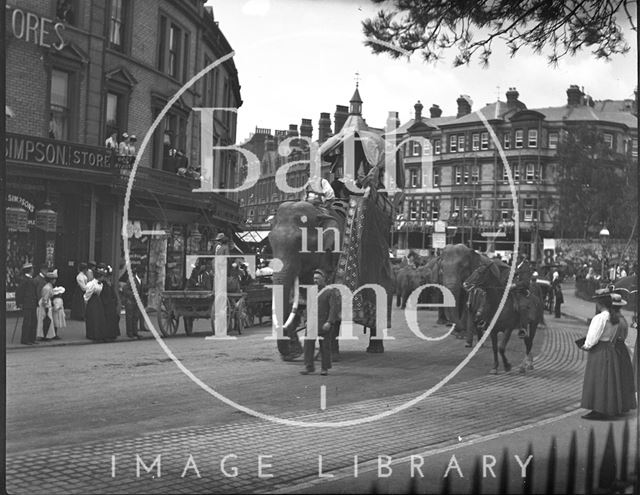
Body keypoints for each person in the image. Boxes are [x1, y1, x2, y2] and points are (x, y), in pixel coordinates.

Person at [580, 290, 637, 419]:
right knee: (607, 379)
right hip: (610, 348)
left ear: (600, 304)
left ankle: (598, 409)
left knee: (597, 379)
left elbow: (593, 336)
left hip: (599, 348)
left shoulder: (600, 318)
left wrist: (587, 345)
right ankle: (607, 406)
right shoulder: (615, 318)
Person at [300, 269, 340, 376]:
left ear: (323, 279)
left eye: (317, 278)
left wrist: (329, 322)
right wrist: (306, 320)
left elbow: (333, 308)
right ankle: (309, 367)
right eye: (314, 278)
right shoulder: (312, 291)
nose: (315, 280)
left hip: (324, 323)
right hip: (312, 323)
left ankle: (325, 368)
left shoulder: (330, 291)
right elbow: (308, 307)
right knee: (308, 346)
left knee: (325, 346)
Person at [510, 252, 533, 338]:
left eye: (514, 259)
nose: (512, 261)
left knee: (522, 307)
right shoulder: (513, 267)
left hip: (521, 291)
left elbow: (526, 282)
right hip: (511, 291)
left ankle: (523, 329)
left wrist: (515, 285)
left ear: (519, 259)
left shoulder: (525, 268)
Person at [15, 263, 38, 345]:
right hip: (27, 304)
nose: (33, 270)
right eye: (32, 269)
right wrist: (20, 303)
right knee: (27, 322)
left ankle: (32, 338)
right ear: (30, 270)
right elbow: (19, 292)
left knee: (33, 321)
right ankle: (25, 339)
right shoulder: (24, 280)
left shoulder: (30, 279)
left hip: (32, 303)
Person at [120, 267, 144, 339]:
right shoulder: (132, 280)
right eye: (143, 273)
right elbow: (125, 289)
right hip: (130, 301)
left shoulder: (140, 281)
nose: (143, 275)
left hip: (137, 302)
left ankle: (135, 332)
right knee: (130, 317)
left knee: (135, 317)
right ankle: (130, 333)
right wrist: (132, 294)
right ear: (139, 273)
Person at [99, 264, 121, 341]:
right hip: (106, 303)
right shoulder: (103, 283)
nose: (108, 278)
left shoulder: (110, 283)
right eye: (107, 276)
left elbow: (113, 292)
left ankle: (112, 334)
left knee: (113, 319)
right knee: (107, 319)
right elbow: (103, 294)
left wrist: (115, 300)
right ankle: (107, 334)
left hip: (111, 303)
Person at [84, 267, 106, 341]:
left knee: (98, 317)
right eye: (102, 276)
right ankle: (92, 334)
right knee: (93, 317)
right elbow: (87, 294)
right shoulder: (91, 284)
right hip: (92, 301)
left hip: (98, 300)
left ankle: (98, 334)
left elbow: (99, 293)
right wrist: (86, 301)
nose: (103, 278)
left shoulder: (101, 284)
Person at [36, 270, 57, 341]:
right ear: (50, 280)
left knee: (46, 320)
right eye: (54, 279)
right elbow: (45, 299)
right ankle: (45, 335)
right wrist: (46, 308)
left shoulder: (49, 286)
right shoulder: (47, 288)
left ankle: (46, 335)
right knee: (46, 320)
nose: (55, 280)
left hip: (47, 304)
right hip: (45, 305)